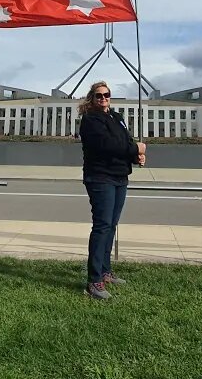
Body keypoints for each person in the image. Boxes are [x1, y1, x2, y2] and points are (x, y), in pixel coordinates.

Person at [78, 80, 145, 300]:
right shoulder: (90, 120)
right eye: (99, 95)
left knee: (112, 225)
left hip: (119, 177)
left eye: (106, 95)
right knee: (102, 226)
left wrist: (135, 156)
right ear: (92, 98)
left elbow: (124, 142)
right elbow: (106, 146)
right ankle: (94, 281)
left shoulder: (117, 118)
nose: (103, 98)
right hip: (100, 178)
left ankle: (105, 271)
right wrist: (135, 148)